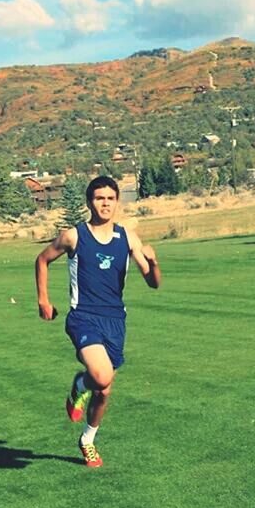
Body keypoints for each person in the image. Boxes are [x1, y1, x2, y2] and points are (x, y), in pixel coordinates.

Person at [35, 176, 161, 468]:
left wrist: (154, 263)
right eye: (99, 198)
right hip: (83, 318)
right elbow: (42, 260)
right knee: (100, 376)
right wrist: (44, 300)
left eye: (110, 198)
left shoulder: (128, 237)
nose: (105, 203)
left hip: (115, 320)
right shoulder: (74, 236)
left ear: (117, 201)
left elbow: (152, 282)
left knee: (104, 391)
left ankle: (87, 440)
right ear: (89, 202)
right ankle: (80, 383)